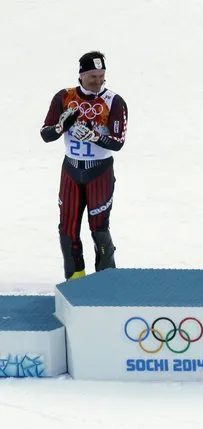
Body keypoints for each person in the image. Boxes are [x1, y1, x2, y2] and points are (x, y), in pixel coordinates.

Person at [40, 51, 128, 281]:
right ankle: (75, 278)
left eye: (102, 76)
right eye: (92, 77)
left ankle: (106, 279)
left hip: (99, 172)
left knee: (99, 227)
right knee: (67, 228)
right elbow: (45, 134)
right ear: (81, 75)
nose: (98, 82)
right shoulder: (64, 97)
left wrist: (93, 136)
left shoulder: (114, 101)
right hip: (71, 170)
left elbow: (118, 142)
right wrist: (60, 127)